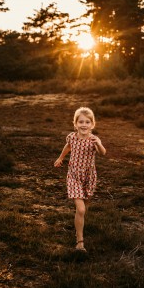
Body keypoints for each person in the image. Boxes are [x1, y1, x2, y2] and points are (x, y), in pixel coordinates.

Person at [54, 107, 106, 252]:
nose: (84, 125)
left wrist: (99, 144)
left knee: (84, 208)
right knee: (81, 209)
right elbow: (68, 146)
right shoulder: (72, 137)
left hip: (89, 177)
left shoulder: (94, 140)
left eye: (87, 122)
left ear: (92, 124)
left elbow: (103, 152)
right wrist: (60, 158)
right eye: (81, 122)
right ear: (75, 124)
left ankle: (79, 224)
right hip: (74, 176)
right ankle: (80, 242)